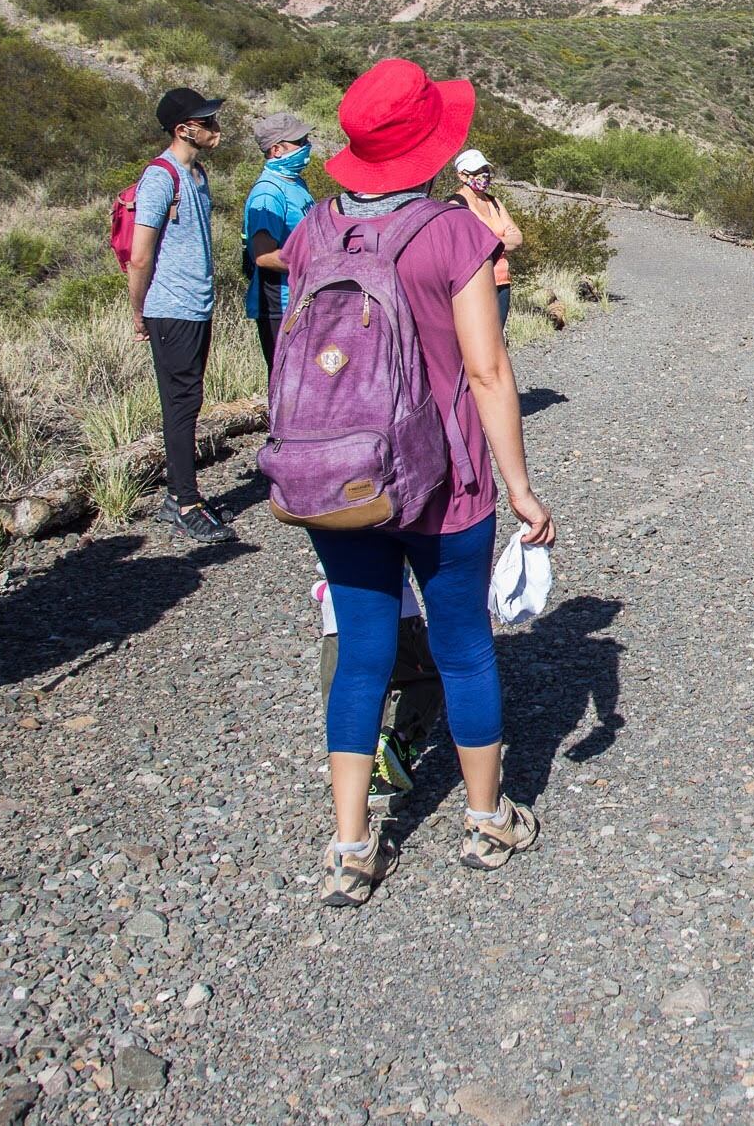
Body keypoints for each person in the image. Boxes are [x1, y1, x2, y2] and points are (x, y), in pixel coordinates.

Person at [291, 59, 557, 906]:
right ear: (430, 145)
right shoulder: (451, 232)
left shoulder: (312, 229)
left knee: (361, 652)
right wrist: (520, 485)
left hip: (337, 476)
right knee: (464, 642)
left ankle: (350, 846)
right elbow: (487, 370)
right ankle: (485, 821)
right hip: (442, 482)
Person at [129, 86, 231, 544]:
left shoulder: (198, 175)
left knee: (189, 401)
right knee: (180, 404)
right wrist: (139, 310)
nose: (215, 129)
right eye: (206, 122)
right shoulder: (160, 177)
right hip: (171, 308)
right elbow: (140, 254)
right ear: (183, 129)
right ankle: (183, 501)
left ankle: (182, 492)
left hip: (195, 305)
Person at [241, 110, 315, 375]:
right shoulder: (267, 193)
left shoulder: (296, 184)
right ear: (276, 149)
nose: (307, 146)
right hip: (279, 305)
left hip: (301, 299)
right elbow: (262, 255)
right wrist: (315, 263)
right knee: (286, 381)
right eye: (300, 141)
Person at [453, 148, 522, 328]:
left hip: (501, 280)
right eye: (477, 172)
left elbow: (517, 238)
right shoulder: (456, 205)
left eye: (485, 170)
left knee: (497, 336)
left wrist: (488, 243)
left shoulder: (494, 202)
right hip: (474, 283)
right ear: (462, 175)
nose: (484, 175)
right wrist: (500, 242)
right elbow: (464, 245)